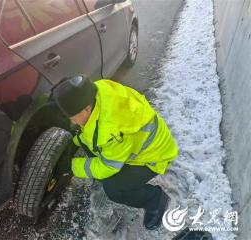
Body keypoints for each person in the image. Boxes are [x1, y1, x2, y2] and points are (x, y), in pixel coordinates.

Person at [51, 75, 178, 230]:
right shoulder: (96, 92)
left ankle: (155, 200)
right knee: (91, 150)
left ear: (87, 109)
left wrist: (71, 167)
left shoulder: (112, 131)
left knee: (114, 189)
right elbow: (91, 132)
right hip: (134, 144)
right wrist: (75, 142)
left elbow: (108, 166)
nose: (72, 122)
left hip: (155, 156)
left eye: (73, 118)